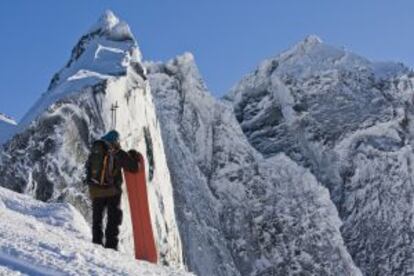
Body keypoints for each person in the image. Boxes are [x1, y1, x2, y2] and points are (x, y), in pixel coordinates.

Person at [85, 130, 138, 250]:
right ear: (116, 141)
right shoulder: (117, 152)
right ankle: (111, 246)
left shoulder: (96, 149)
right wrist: (133, 155)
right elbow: (134, 168)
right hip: (112, 191)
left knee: (97, 218)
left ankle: (97, 243)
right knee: (113, 218)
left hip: (95, 190)